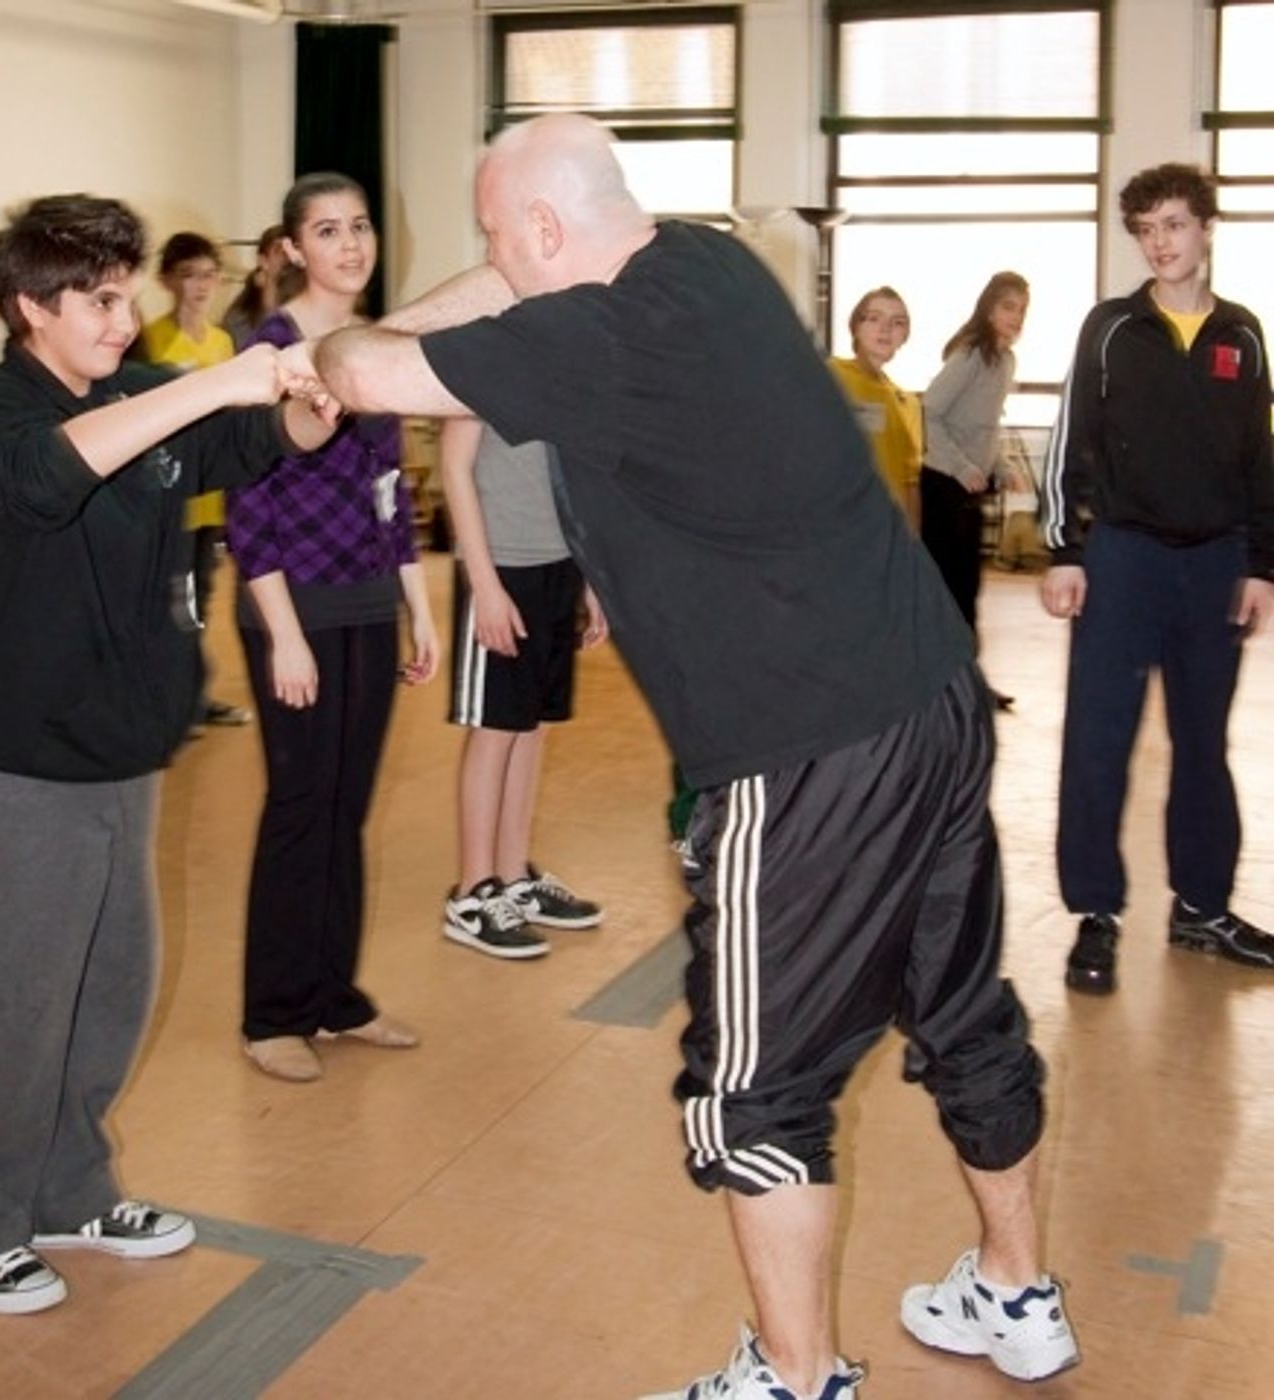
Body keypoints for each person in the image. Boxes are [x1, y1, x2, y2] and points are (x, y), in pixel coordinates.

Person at [311, 114, 1078, 1400]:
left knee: (752, 1086)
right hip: (929, 695)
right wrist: (477, 280)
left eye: (498, 236)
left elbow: (372, 372)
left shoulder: (599, 341)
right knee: (962, 1012)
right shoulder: (707, 262)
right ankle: (1015, 1289)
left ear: (544, 228)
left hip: (803, 755)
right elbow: (502, 289)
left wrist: (317, 348)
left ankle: (795, 1375)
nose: (491, 261)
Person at [0, 193, 335, 1315]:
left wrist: (311, 402)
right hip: (12, 755)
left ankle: (69, 1189)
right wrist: (210, 382)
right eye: (98, 300)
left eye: (124, 294)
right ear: (31, 308)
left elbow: (257, 441)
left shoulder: (137, 393)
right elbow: (42, 482)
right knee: (22, 1004)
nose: (122, 316)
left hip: (118, 747)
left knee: (110, 991)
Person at [1041, 162, 1274, 995]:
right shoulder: (1110, 328)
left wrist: (1262, 565)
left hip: (1216, 565)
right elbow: (1070, 438)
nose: (1159, 242)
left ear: (1206, 227)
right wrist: (1065, 549)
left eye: (1173, 224)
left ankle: (1202, 908)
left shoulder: (1243, 334)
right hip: (1124, 560)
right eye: (1145, 230)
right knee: (1099, 740)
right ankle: (1095, 913)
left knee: (1204, 743)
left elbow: (1260, 459)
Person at [228, 172, 438, 1084]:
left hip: (365, 603)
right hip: (294, 606)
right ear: (292, 248)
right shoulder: (270, 351)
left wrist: (419, 607)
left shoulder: (376, 347)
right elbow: (248, 504)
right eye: (327, 230)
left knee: (347, 806)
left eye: (359, 227)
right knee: (300, 804)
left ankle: (334, 998)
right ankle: (272, 1015)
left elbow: (390, 493)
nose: (350, 245)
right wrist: (283, 633)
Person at [441, 415, 606, 960]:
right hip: (502, 567)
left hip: (558, 563)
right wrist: (484, 584)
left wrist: (590, 576)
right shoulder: (482, 370)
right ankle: (472, 892)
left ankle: (513, 877)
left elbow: (575, 473)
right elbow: (455, 466)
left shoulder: (560, 375)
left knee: (533, 726)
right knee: (496, 729)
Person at [137, 229, 251, 730]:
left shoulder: (223, 341)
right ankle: (174, 700)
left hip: (211, 494)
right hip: (168, 494)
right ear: (167, 280)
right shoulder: (151, 341)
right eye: (189, 275)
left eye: (209, 275)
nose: (201, 286)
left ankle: (193, 696)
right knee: (172, 600)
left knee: (199, 597)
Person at [921, 272, 1030, 710]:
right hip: (944, 485)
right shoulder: (970, 354)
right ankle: (943, 690)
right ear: (988, 308)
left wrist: (1001, 467)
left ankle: (967, 683)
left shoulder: (1005, 361)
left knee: (969, 591)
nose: (1016, 317)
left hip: (969, 488)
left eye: (1022, 310)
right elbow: (929, 413)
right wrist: (963, 467)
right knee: (950, 590)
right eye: (1007, 307)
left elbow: (984, 427)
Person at [829, 286, 922, 531]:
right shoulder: (830, 376)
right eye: (874, 318)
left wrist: (912, 543)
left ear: (905, 336)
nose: (885, 329)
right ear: (856, 327)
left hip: (886, 532)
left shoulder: (907, 403)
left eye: (897, 322)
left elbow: (910, 483)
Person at [223, 222, 294, 352]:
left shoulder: (307, 315)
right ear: (263, 261)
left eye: (292, 251)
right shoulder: (238, 322)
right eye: (280, 251)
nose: (288, 258)